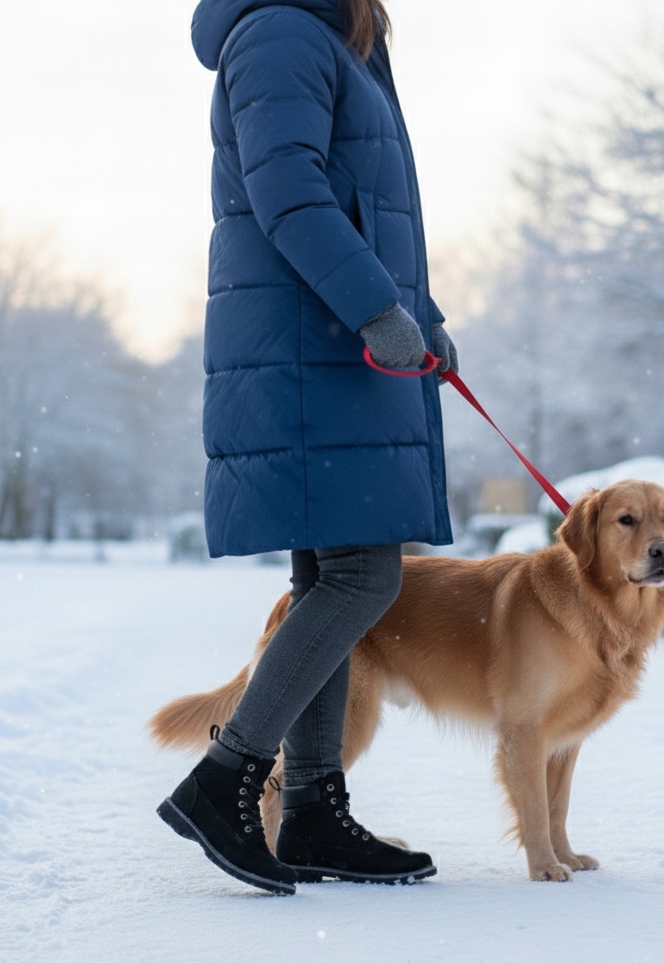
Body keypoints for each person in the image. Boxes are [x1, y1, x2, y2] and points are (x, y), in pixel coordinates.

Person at [158, 0, 458, 895]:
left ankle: (315, 808)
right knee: (366, 573)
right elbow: (288, 191)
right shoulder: (283, 32)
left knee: (329, 573)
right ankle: (228, 778)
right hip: (311, 344)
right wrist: (375, 306)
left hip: (334, 342)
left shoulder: (337, 38)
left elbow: (374, 207)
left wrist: (422, 316)